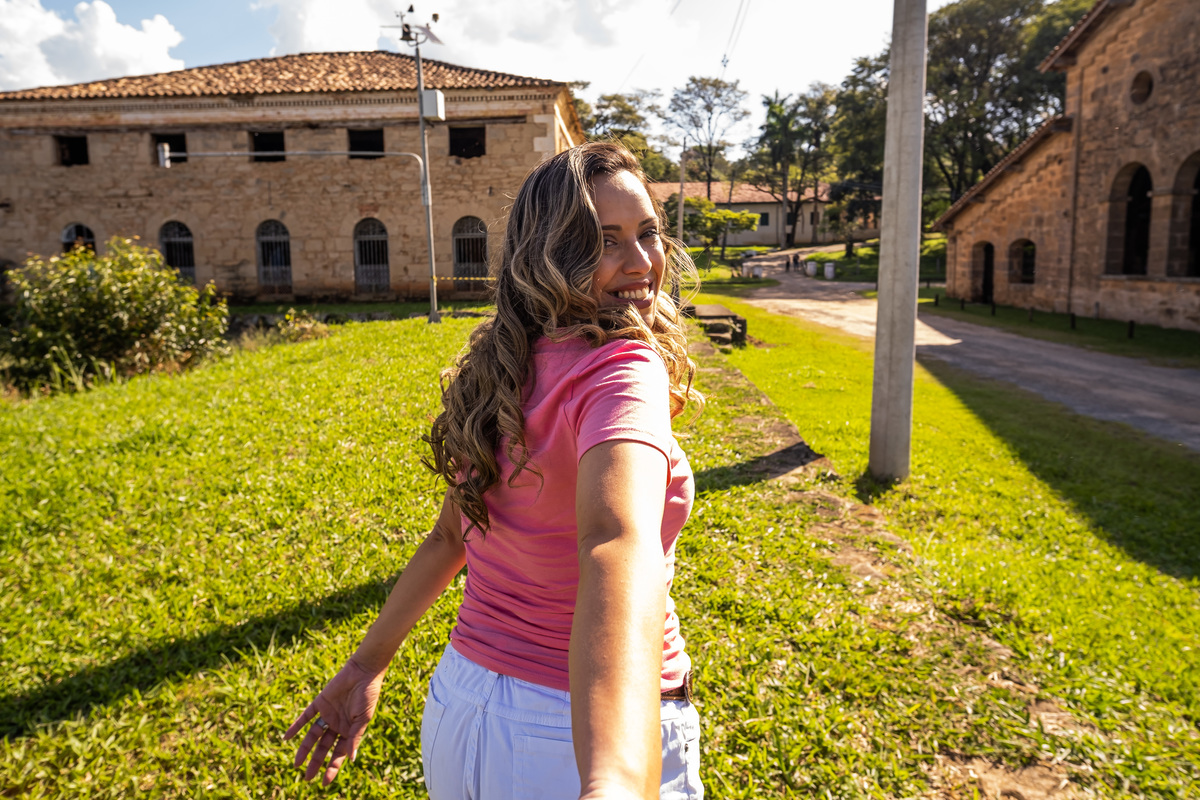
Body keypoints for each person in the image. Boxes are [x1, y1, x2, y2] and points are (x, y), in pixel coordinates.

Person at [284, 142, 705, 800]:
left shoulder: (503, 367)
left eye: (648, 233)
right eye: (605, 241)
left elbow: (448, 540)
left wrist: (367, 664)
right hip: (573, 743)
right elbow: (615, 544)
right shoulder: (622, 365)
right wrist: (618, 779)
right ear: (551, 255)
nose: (642, 262)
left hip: (463, 709)